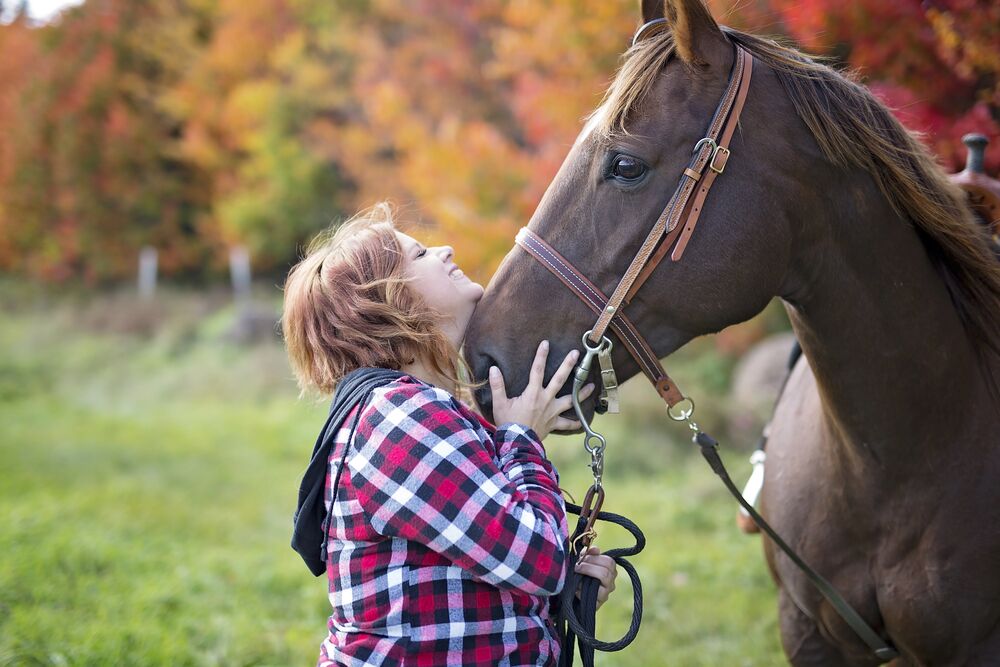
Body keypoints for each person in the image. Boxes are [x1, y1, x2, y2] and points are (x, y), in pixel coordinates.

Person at [281, 202, 619, 667]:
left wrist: (566, 594)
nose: (445, 250)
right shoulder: (400, 419)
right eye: (419, 255)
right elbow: (538, 559)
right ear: (385, 301)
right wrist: (522, 437)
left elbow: (492, 563)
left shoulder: (418, 413)